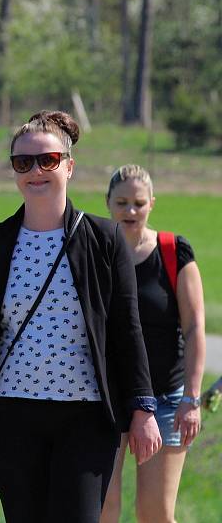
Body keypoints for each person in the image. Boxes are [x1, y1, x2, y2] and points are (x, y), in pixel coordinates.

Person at [0, 112, 162, 523]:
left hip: (86, 416)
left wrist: (142, 408)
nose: (34, 171)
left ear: (68, 165)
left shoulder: (104, 238)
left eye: (47, 160)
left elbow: (125, 327)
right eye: (22, 162)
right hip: (10, 415)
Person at [100, 164, 206, 523]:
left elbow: (194, 330)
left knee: (155, 514)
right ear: (108, 203)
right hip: (108, 403)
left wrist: (191, 400)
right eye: (122, 202)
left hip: (165, 400)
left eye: (139, 203)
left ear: (152, 205)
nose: (131, 211)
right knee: (102, 512)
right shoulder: (97, 252)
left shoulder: (174, 251)